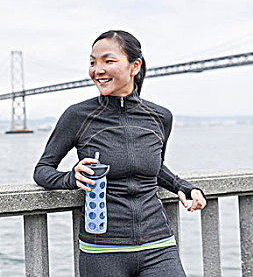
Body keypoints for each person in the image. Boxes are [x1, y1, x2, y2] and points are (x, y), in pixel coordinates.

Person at [33, 30, 207, 276]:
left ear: (135, 65)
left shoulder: (160, 117)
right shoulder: (77, 116)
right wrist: (72, 178)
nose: (97, 70)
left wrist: (186, 187)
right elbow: (42, 171)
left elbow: (154, 168)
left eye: (108, 61)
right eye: (93, 62)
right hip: (102, 249)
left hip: (158, 245)